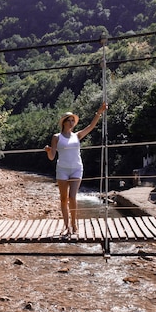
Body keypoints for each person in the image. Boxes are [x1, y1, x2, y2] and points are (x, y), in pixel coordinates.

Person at [44, 102, 108, 238]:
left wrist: (99, 111)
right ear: (64, 122)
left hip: (76, 169)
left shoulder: (77, 136)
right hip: (62, 170)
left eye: (73, 120)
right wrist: (48, 150)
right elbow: (51, 157)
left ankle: (74, 224)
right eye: (70, 120)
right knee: (63, 199)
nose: (72, 122)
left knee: (72, 197)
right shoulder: (56, 137)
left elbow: (91, 127)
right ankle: (66, 226)